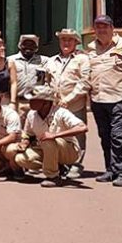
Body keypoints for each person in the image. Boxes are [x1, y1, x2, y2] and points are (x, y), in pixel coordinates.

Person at [86, 15, 122, 187]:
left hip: (119, 99)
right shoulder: (90, 50)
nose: (101, 30)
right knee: (105, 137)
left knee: (118, 137)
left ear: (112, 29)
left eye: (105, 26)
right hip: (98, 100)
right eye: (98, 27)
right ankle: (111, 170)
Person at [13, 85, 88, 187]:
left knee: (48, 140)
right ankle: (57, 167)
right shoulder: (31, 114)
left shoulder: (61, 112)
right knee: (20, 158)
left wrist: (55, 135)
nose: (30, 102)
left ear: (46, 103)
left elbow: (82, 127)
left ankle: (53, 177)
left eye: (34, 100)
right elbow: (28, 134)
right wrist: (25, 142)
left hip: (68, 151)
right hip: (45, 149)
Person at [44, 29, 91, 178]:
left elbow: (84, 82)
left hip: (74, 104)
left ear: (76, 42)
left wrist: (68, 99)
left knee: (77, 134)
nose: (66, 42)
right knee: (57, 133)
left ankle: (76, 164)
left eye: (70, 40)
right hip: (55, 106)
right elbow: (47, 81)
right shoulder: (51, 60)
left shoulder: (82, 59)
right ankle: (61, 164)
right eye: (63, 39)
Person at [7, 34, 45, 118]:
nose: (28, 47)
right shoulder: (10, 60)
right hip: (18, 102)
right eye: (25, 44)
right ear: (20, 45)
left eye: (31, 45)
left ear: (36, 47)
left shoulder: (44, 61)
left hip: (37, 103)